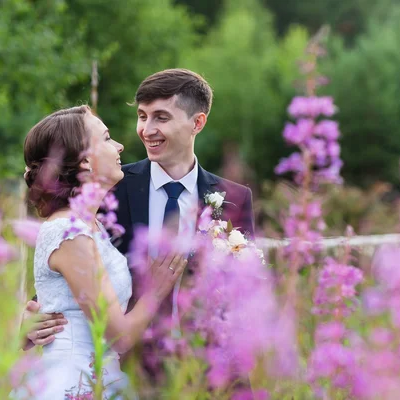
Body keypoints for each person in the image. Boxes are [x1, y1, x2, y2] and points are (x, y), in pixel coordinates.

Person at [24, 68, 255, 347]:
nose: (146, 130)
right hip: (130, 368)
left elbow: (244, 290)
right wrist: (31, 318)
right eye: (142, 116)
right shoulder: (107, 190)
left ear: (198, 123)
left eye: (161, 117)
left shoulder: (235, 199)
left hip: (203, 370)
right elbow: (70, 265)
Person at [12, 105, 187, 399]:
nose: (119, 145)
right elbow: (118, 336)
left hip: (105, 377)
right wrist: (155, 291)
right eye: (107, 138)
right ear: (84, 162)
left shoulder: (93, 225)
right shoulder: (70, 232)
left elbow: (61, 298)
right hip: (74, 383)